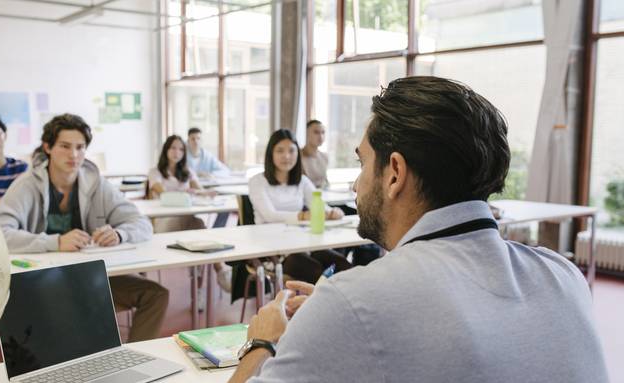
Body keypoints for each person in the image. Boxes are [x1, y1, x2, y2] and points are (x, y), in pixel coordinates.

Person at [228, 77, 608, 383]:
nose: (357, 186)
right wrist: (342, 318)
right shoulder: (564, 275)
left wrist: (264, 342)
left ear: (394, 173)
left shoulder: (349, 301)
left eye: (362, 164)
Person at [0, 114, 168, 342]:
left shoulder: (97, 183)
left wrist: (119, 233)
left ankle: (138, 361)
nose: (74, 155)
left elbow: (141, 224)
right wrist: (55, 242)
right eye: (65, 146)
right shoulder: (26, 185)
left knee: (155, 295)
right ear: (48, 147)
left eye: (80, 147)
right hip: (42, 282)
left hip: (90, 278)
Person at [247, 129, 351, 284]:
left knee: (343, 266)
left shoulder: (302, 181)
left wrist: (333, 212)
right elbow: (270, 215)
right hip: (273, 250)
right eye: (280, 151)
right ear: (270, 154)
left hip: (303, 244)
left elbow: (320, 205)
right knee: (317, 272)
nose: (286, 156)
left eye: (291, 150)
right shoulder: (258, 181)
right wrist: (302, 216)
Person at [148, 135, 231, 296]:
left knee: (199, 226)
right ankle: (220, 270)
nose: (176, 152)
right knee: (198, 226)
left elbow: (200, 191)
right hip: (164, 224)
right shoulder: (155, 172)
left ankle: (201, 286)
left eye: (180, 149)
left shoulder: (188, 171)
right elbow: (164, 194)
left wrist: (207, 192)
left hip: (186, 221)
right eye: (173, 148)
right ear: (166, 150)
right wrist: (186, 193)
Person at [300, 119, 329, 189]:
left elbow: (325, 182)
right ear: (306, 134)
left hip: (322, 195)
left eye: (323, 132)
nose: (320, 136)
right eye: (316, 132)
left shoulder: (325, 157)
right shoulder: (298, 156)